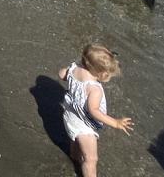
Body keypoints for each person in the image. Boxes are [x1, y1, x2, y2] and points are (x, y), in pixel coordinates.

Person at [57, 44, 133, 177]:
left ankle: (74, 157)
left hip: (70, 115)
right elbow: (94, 111)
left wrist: (70, 72)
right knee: (91, 159)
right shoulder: (94, 89)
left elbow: (61, 74)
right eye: (108, 74)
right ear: (101, 74)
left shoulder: (75, 68)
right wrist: (115, 122)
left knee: (75, 140)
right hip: (84, 126)